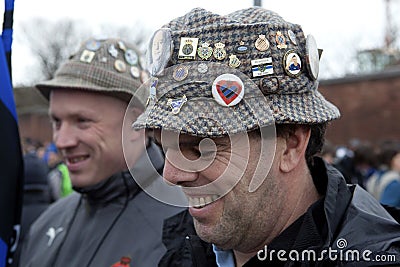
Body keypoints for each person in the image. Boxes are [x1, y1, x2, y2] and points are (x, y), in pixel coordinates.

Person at [133, 7, 400, 266]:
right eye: (164, 147)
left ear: (291, 145)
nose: (170, 174)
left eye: (200, 148)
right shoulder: (184, 247)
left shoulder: (370, 255)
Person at [19, 38, 185, 266]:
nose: (62, 141)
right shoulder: (45, 224)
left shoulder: (190, 228)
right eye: (56, 122)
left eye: (82, 121)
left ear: (136, 122)